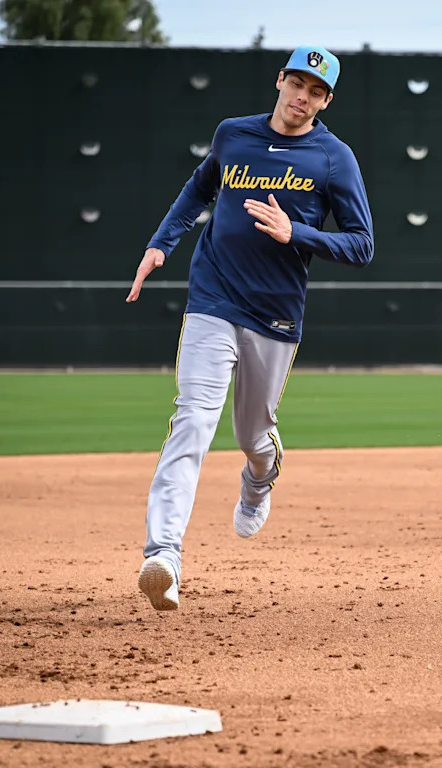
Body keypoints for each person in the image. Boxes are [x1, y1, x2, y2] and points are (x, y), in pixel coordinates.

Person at [125, 46, 374, 611]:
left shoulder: (334, 159)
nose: (302, 97)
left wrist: (299, 235)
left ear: (326, 101)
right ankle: (163, 554)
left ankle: (260, 478)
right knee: (192, 420)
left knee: (252, 437)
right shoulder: (232, 135)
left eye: (316, 91)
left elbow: (362, 245)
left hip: (275, 314)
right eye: (297, 83)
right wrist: (162, 243)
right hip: (212, 299)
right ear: (280, 80)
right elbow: (198, 187)